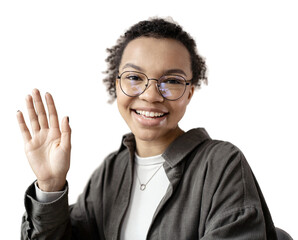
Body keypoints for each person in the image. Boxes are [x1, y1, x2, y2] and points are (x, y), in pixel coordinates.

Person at [17, 17, 278, 239]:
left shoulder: (221, 165)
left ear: (189, 93)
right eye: (134, 78)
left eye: (172, 81)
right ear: (115, 84)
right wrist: (50, 186)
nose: (151, 95)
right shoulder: (111, 172)